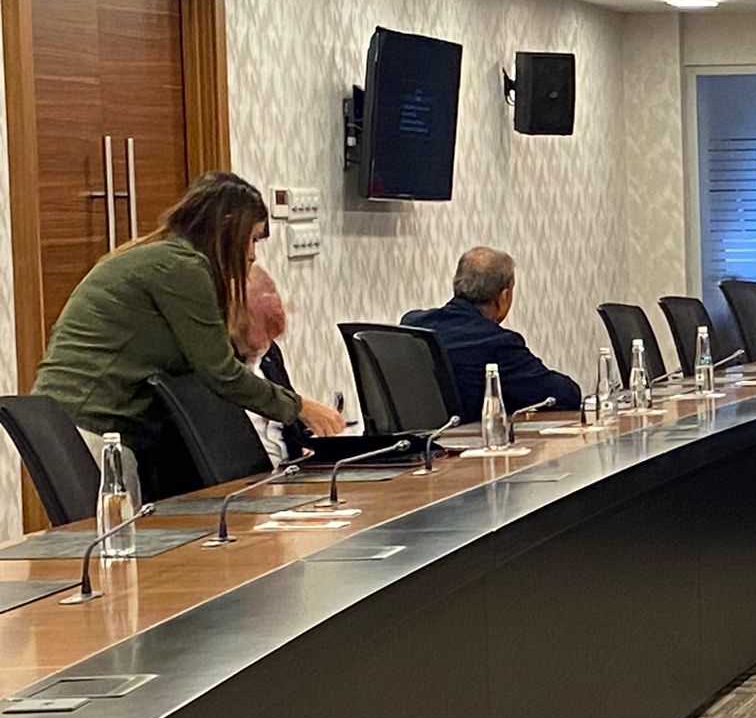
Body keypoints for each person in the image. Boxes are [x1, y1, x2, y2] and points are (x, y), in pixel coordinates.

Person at [32, 171, 344, 498]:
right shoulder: (182, 268)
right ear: (226, 227)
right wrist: (299, 407)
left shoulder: (159, 255)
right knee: (115, 529)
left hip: (66, 418)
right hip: (92, 423)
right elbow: (221, 374)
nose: (253, 254)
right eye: (251, 238)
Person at [403, 247, 583, 422]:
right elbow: (564, 395)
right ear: (504, 296)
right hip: (469, 439)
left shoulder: (413, 324)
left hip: (414, 439)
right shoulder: (498, 343)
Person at [230, 265, 314, 465]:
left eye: (270, 337)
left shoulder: (269, 354)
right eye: (253, 342)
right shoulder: (215, 374)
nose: (262, 348)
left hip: (291, 474)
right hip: (247, 478)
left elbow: (294, 432)